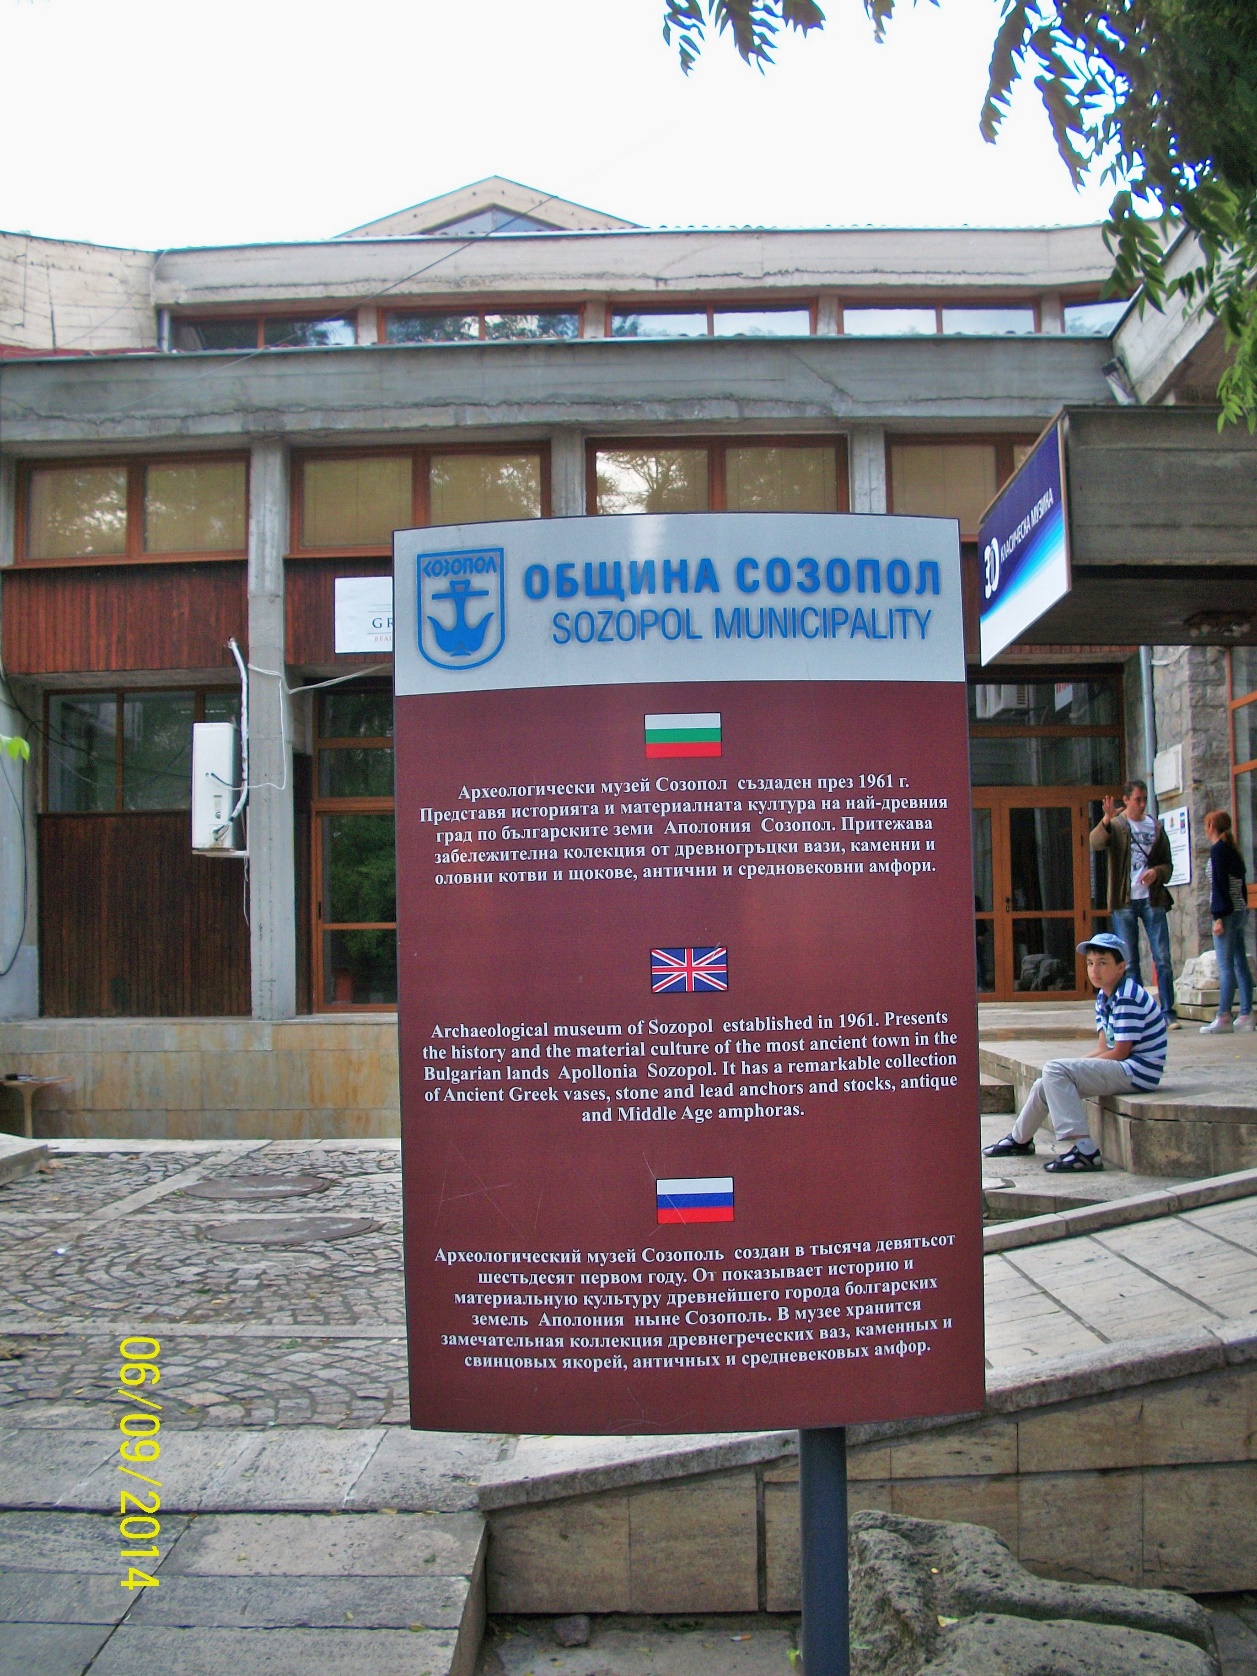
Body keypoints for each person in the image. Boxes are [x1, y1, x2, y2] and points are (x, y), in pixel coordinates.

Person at [984, 931, 1167, 1172]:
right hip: (1124, 1067)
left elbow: (1121, 1052)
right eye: (1090, 963)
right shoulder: (1104, 996)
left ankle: (1085, 1150)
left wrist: (1068, 1069)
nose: (1094, 970)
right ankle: (1020, 1139)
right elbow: (1104, 1047)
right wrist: (1073, 1066)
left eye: (1103, 963)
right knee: (1048, 1079)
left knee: (1056, 1070)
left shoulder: (1127, 997)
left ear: (1120, 968)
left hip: (1138, 1072)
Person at [1091, 780, 1179, 1027]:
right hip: (1125, 900)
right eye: (1137, 799)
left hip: (1152, 898)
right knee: (1129, 962)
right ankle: (1139, 1014)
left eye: (1144, 799)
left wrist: (1156, 873)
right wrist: (1106, 819)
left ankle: (1167, 1012)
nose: (1142, 804)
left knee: (1162, 957)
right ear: (1126, 800)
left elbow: (1167, 865)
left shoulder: (1156, 827)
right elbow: (1096, 842)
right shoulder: (1118, 825)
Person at [1200, 809, 1253, 1034]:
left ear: (1212, 826)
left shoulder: (1218, 850)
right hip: (1239, 910)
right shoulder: (1233, 849)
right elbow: (1240, 883)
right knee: (1240, 963)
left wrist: (1218, 916)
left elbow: (1219, 885)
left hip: (1227, 912)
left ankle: (1224, 1015)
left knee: (1225, 966)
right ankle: (1246, 1013)